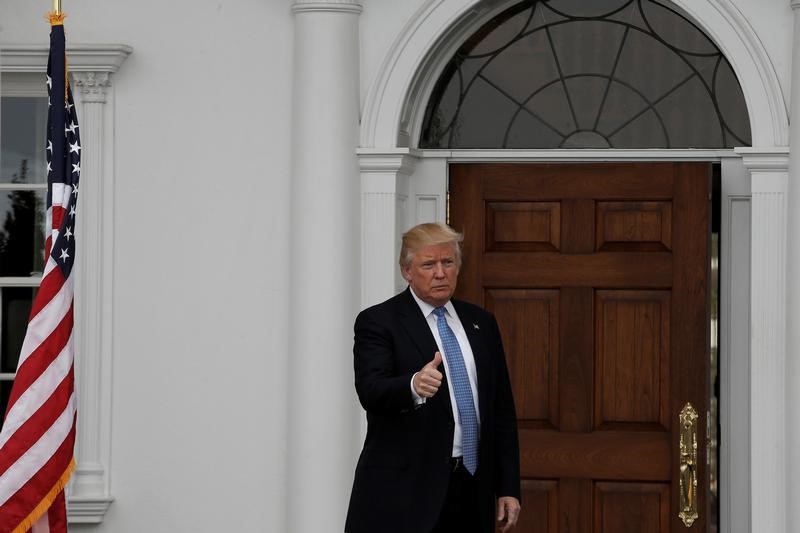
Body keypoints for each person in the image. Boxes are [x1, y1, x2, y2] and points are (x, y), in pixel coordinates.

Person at [345, 223, 521, 533]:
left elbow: (501, 410)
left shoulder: (480, 322)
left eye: (448, 262)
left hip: (472, 486)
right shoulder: (379, 321)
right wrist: (413, 385)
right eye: (429, 264)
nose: (440, 273)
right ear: (407, 271)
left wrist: (508, 486)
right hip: (406, 491)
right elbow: (370, 390)